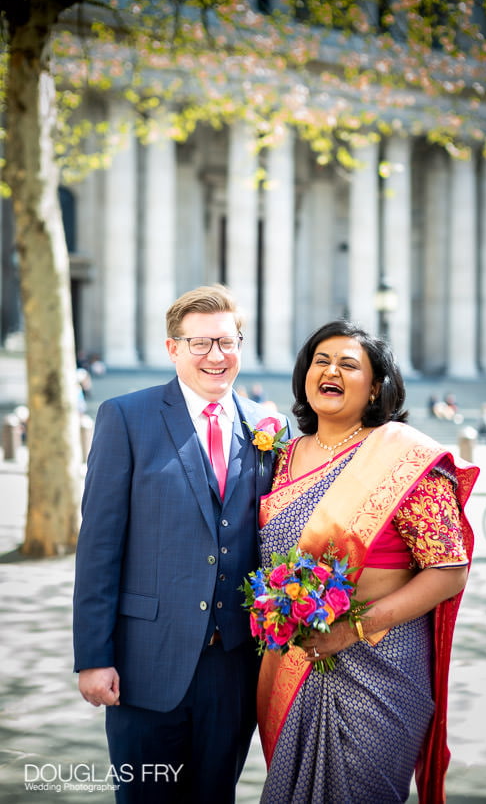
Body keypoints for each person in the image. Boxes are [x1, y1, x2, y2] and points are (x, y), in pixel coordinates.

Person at [73, 284, 290, 803]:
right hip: (144, 666)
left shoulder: (268, 426)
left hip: (234, 668)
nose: (216, 356)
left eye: (227, 342)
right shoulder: (126, 417)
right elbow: (99, 548)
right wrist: (92, 657)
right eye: (200, 344)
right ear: (173, 348)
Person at [256, 320, 479, 804]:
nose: (330, 370)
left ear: (376, 386)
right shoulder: (281, 458)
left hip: (381, 669)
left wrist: (352, 628)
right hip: (295, 665)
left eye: (348, 364)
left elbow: (448, 569)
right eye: (321, 361)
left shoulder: (405, 458)